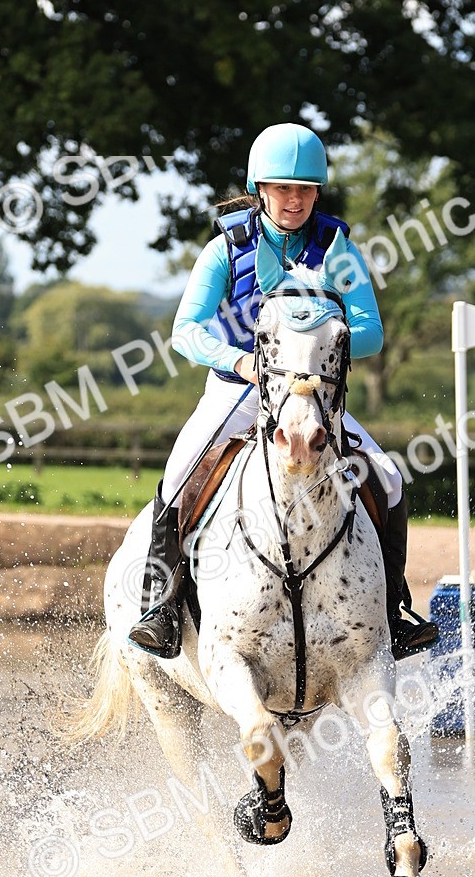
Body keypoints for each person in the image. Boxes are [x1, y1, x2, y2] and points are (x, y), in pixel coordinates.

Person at [129, 122, 438, 660]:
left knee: (386, 477)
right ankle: (161, 604)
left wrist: (327, 334)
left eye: (305, 189)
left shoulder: (337, 249)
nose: (295, 200)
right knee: (179, 478)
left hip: (314, 390)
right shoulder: (227, 247)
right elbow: (187, 330)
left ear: (317, 191)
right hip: (237, 390)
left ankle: (395, 611)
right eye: (283, 189)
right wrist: (239, 360)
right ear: (261, 189)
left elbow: (371, 330)